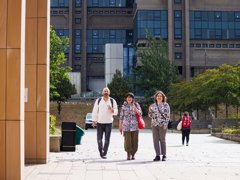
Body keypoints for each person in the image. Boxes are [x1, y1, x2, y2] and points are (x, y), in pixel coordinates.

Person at [92, 87, 118, 159]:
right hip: (100, 123)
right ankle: (100, 152)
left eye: (107, 91)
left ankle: (105, 153)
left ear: (109, 93)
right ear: (102, 92)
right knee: (99, 139)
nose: (106, 92)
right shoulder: (98, 100)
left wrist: (112, 109)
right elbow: (95, 111)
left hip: (109, 123)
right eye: (104, 91)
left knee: (107, 139)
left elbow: (116, 112)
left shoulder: (112, 101)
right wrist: (94, 120)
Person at [119, 92, 142, 160]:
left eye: (130, 97)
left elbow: (140, 114)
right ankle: (128, 154)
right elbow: (121, 116)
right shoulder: (123, 106)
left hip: (135, 126)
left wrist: (136, 109)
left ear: (133, 99)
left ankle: (133, 154)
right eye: (128, 97)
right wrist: (120, 125)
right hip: (126, 126)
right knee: (127, 141)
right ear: (126, 98)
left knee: (135, 141)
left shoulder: (136, 105)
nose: (129, 98)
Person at [148, 91, 170, 161]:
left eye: (160, 96)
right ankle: (157, 155)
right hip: (154, 124)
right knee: (155, 140)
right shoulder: (153, 105)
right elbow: (150, 116)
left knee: (162, 140)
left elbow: (167, 116)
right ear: (156, 97)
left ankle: (164, 155)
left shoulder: (166, 105)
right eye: (158, 96)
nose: (159, 97)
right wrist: (149, 110)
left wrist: (165, 124)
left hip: (162, 125)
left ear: (163, 97)